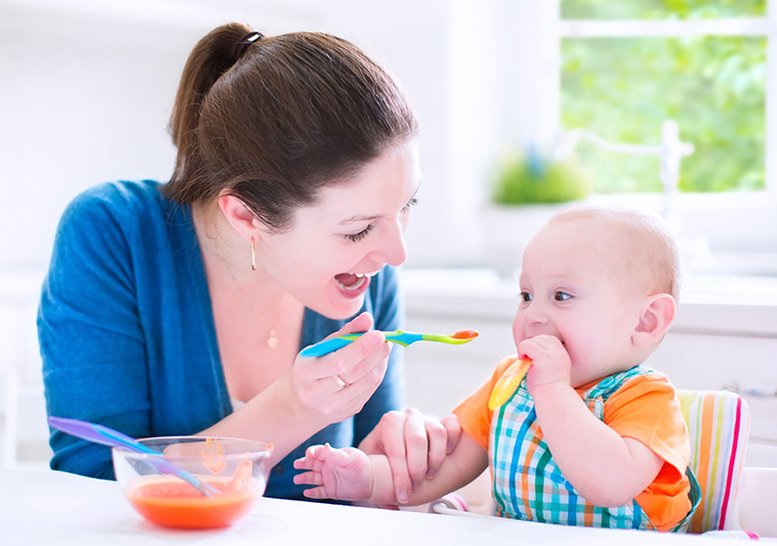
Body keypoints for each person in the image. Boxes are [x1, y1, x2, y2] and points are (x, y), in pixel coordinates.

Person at [38, 23, 460, 501]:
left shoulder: (363, 274)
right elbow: (91, 488)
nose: (395, 253)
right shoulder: (113, 235)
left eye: (407, 207)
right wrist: (292, 406)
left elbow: (361, 496)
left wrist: (393, 469)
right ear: (245, 215)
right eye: (358, 229)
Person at [294, 206, 701, 530]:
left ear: (645, 321)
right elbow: (447, 467)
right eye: (526, 295)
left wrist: (553, 390)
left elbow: (610, 484)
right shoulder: (509, 383)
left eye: (561, 296)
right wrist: (367, 478)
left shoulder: (647, 399)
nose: (534, 315)